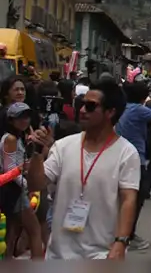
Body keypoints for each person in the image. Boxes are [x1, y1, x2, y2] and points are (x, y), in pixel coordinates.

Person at [26, 77, 140, 260]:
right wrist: (37, 153)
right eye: (81, 104)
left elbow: (128, 199)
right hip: (58, 255)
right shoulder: (63, 146)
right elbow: (35, 183)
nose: (82, 110)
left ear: (110, 112)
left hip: (101, 255)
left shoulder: (126, 153)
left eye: (90, 106)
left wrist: (121, 242)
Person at [115, 81, 151, 251]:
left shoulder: (123, 108)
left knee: (121, 200)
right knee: (135, 200)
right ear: (143, 97)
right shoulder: (139, 109)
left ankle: (119, 233)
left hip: (118, 158)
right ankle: (128, 235)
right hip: (136, 160)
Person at [1, 102, 44, 259]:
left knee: (11, 235)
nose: (24, 120)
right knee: (34, 230)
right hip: (13, 190)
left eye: (26, 116)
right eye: (20, 117)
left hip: (13, 189)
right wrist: (27, 185)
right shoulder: (11, 138)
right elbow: (9, 168)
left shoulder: (18, 137)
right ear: (11, 120)